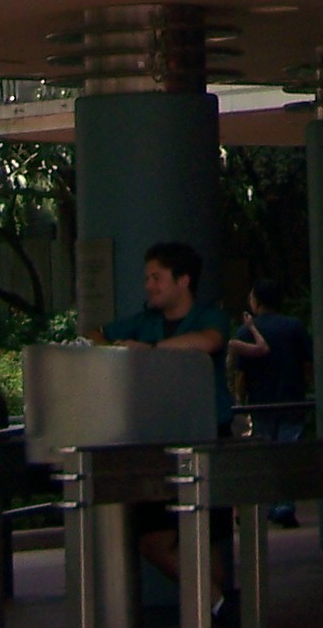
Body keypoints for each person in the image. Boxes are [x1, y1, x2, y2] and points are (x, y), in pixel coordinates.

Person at [107, 243, 234, 613]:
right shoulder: (141, 320)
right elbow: (97, 335)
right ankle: (219, 605)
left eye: (156, 277)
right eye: (147, 278)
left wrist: (152, 350)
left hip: (207, 436)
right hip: (155, 443)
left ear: (184, 281)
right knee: (153, 539)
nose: (149, 285)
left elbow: (210, 341)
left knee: (209, 536)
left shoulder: (210, 317)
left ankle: (212, 609)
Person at [230, 278, 312, 526]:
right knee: (288, 453)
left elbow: (241, 375)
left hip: (260, 403)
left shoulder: (246, 331)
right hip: (291, 399)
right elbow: (307, 365)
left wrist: (240, 401)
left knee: (263, 455)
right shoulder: (294, 327)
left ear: (255, 301)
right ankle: (285, 505)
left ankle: (264, 504)